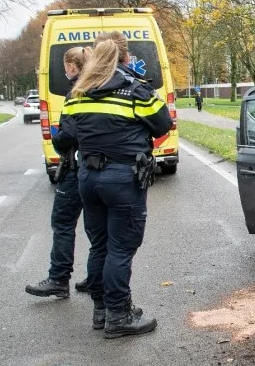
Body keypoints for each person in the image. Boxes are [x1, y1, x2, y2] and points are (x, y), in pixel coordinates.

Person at [63, 31, 172, 339]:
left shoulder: (78, 94)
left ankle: (103, 310)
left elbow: (67, 135)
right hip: (122, 180)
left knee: (100, 245)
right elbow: (163, 123)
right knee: (121, 248)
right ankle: (118, 316)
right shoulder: (136, 91)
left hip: (88, 179)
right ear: (125, 57)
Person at [25, 47, 91, 298]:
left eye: (66, 66)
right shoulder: (99, 86)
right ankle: (95, 276)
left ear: (72, 67)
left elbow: (70, 134)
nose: (65, 71)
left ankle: (58, 278)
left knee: (63, 223)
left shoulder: (76, 92)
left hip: (75, 167)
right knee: (96, 226)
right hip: (96, 166)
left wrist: (57, 137)